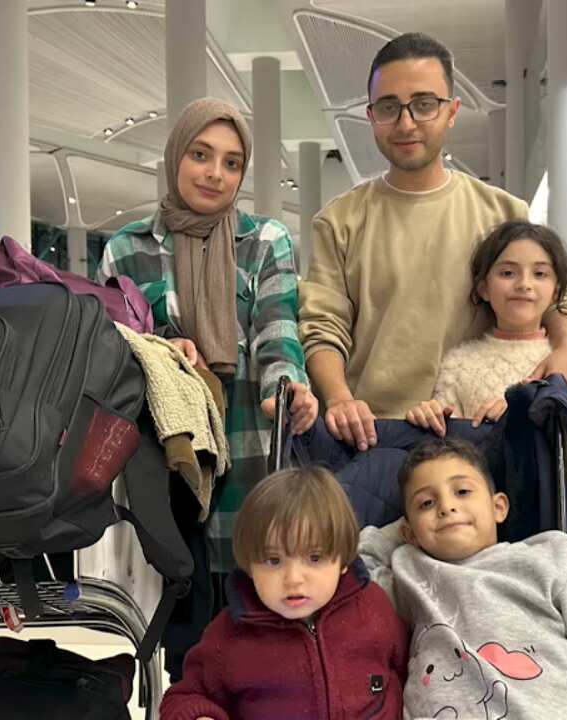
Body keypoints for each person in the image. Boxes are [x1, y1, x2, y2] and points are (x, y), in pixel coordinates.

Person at [98, 97, 319, 678]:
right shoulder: (126, 249)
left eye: (231, 162)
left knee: (261, 626)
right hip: (171, 460)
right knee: (187, 638)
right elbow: (113, 347)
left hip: (248, 446)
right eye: (201, 155)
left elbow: (278, 328)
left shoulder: (264, 240)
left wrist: (287, 387)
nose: (215, 173)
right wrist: (163, 348)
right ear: (175, 156)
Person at [300, 32, 567, 453]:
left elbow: (556, 297)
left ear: (452, 111)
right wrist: (340, 398)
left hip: (480, 434)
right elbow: (323, 327)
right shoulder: (339, 221)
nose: (406, 123)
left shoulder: (503, 212)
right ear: (371, 116)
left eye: (424, 104)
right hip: (373, 435)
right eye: (389, 107)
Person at [360, 438, 567, 720]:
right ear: (408, 533)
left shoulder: (550, 557)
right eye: (426, 503)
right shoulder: (408, 573)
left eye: (462, 491)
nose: (447, 507)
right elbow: (356, 564)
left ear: (498, 507)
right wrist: (410, 531)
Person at [160, 466, 409, 720]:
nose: (293, 579)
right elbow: (183, 697)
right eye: (273, 560)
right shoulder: (228, 634)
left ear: (343, 560)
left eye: (314, 557)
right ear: (249, 566)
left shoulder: (374, 608)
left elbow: (407, 669)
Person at [406, 220, 567, 473]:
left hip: (544, 498)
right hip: (482, 495)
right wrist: (429, 418)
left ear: (556, 292)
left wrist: (534, 414)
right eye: (507, 273)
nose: (524, 284)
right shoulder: (458, 365)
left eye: (540, 274)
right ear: (483, 288)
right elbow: (443, 459)